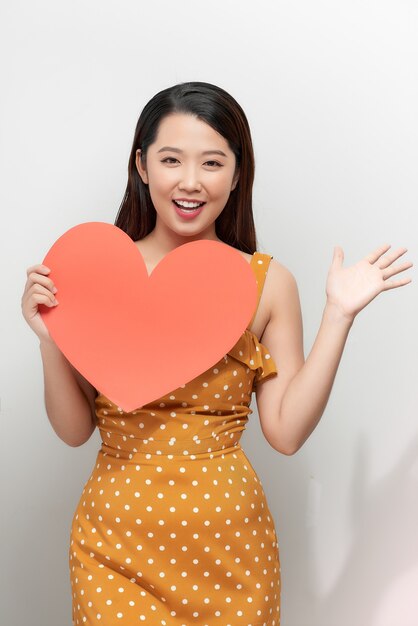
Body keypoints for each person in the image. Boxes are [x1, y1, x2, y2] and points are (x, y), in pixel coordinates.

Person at [21, 81, 413, 626]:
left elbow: (285, 432)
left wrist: (338, 316)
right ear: (141, 165)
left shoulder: (267, 282)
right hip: (113, 545)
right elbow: (74, 430)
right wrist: (49, 340)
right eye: (171, 159)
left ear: (236, 172)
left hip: (231, 549)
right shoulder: (93, 274)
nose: (189, 181)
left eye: (211, 162)